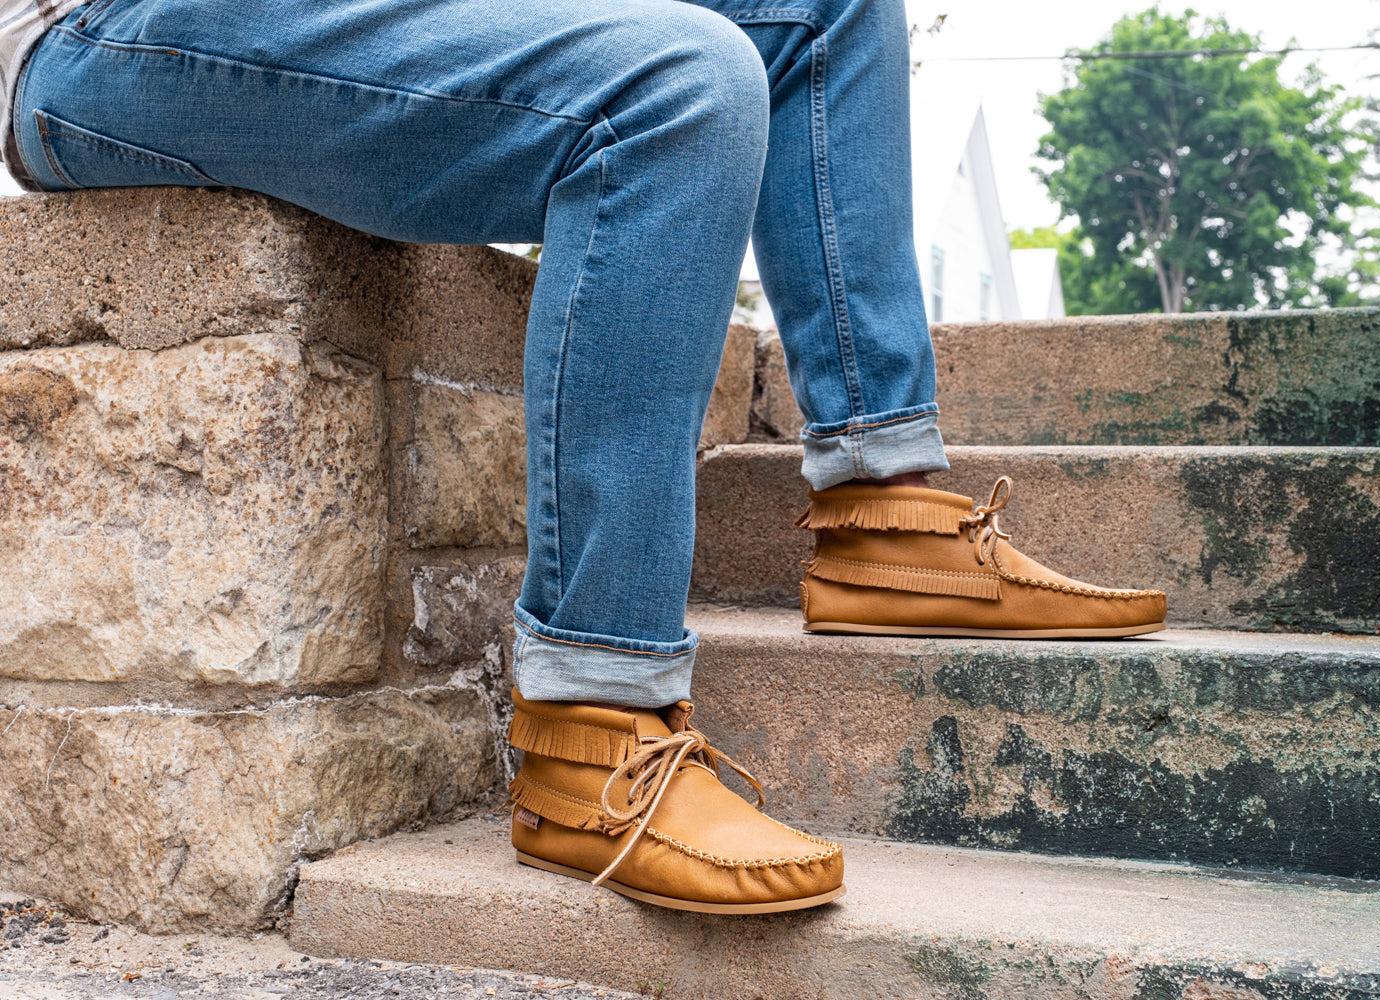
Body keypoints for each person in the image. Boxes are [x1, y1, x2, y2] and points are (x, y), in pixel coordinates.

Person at [4, 0, 1165, 914]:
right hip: (113, 40)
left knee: (821, 3)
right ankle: (591, 726)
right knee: (679, 83)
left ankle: (883, 504)